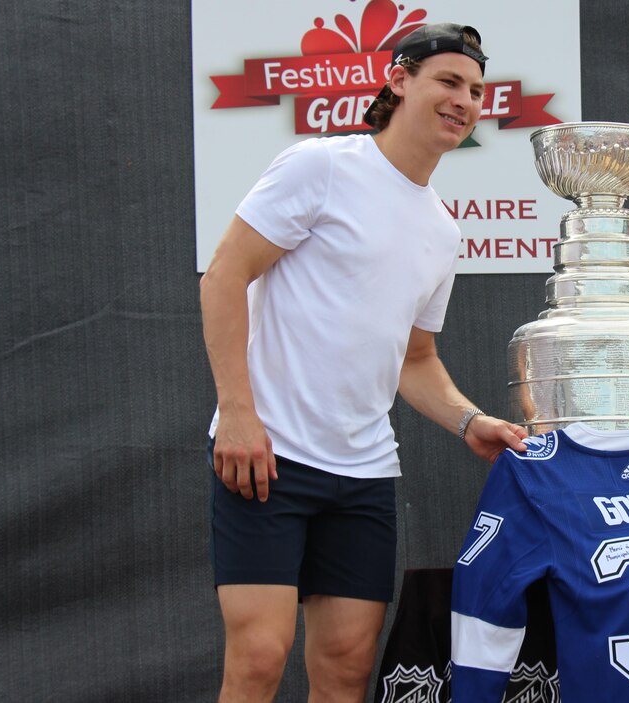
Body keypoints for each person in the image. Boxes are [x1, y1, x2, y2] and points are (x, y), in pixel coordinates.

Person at [199, 23, 528, 702]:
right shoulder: (320, 167)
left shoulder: (442, 227)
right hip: (267, 457)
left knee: (347, 668)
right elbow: (224, 276)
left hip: (364, 475)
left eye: (474, 89)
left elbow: (415, 357)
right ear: (399, 80)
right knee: (259, 658)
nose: (464, 99)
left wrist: (470, 422)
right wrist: (237, 411)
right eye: (447, 81)